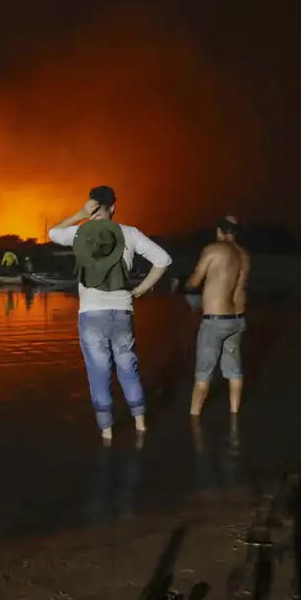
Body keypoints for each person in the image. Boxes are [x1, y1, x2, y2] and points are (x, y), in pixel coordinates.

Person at [49, 186, 172, 441]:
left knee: (99, 372)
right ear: (113, 207)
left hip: (92, 314)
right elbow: (163, 260)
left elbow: (52, 233)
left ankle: (107, 434)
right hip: (122, 310)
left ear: (91, 205)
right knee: (128, 369)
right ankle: (140, 425)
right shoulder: (130, 234)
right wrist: (140, 290)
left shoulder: (79, 233)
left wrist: (79, 214)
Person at [185, 215, 250, 419]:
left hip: (215, 321)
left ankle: (193, 418)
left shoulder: (213, 250)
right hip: (237, 320)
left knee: (203, 377)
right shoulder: (244, 255)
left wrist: (183, 285)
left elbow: (195, 281)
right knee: (235, 373)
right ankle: (234, 416)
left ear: (219, 232)